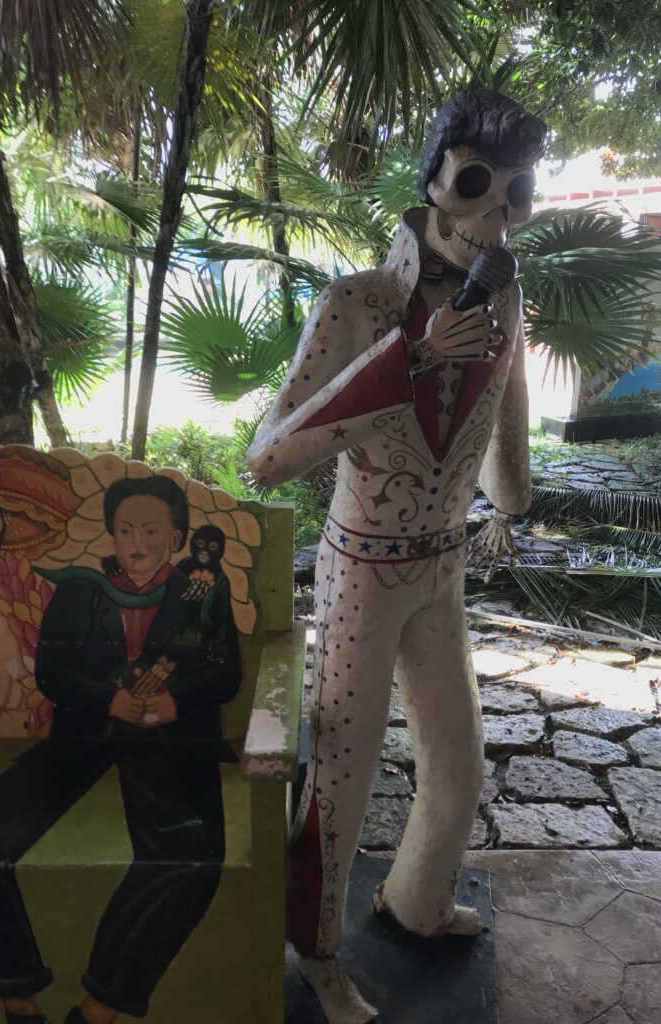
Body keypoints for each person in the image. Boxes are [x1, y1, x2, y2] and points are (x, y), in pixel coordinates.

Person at [248, 88, 547, 1024]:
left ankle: (417, 899)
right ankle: (318, 954)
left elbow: (509, 472)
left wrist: (511, 480)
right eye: (477, 183)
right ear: (435, 181)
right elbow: (267, 458)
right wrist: (407, 359)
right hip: (362, 574)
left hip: (441, 567)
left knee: (458, 761)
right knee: (342, 772)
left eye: (517, 194)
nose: (495, 215)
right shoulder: (360, 302)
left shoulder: (506, 300)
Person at [0, 475, 241, 1024]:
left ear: (176, 538)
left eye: (150, 531)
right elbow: (53, 674)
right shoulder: (81, 591)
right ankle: (19, 1001)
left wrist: (174, 702)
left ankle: (96, 1010)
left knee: (193, 861)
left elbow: (227, 675)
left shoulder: (201, 595)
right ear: (111, 535)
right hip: (84, 736)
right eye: (125, 530)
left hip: (169, 744)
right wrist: (110, 700)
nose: (137, 543)